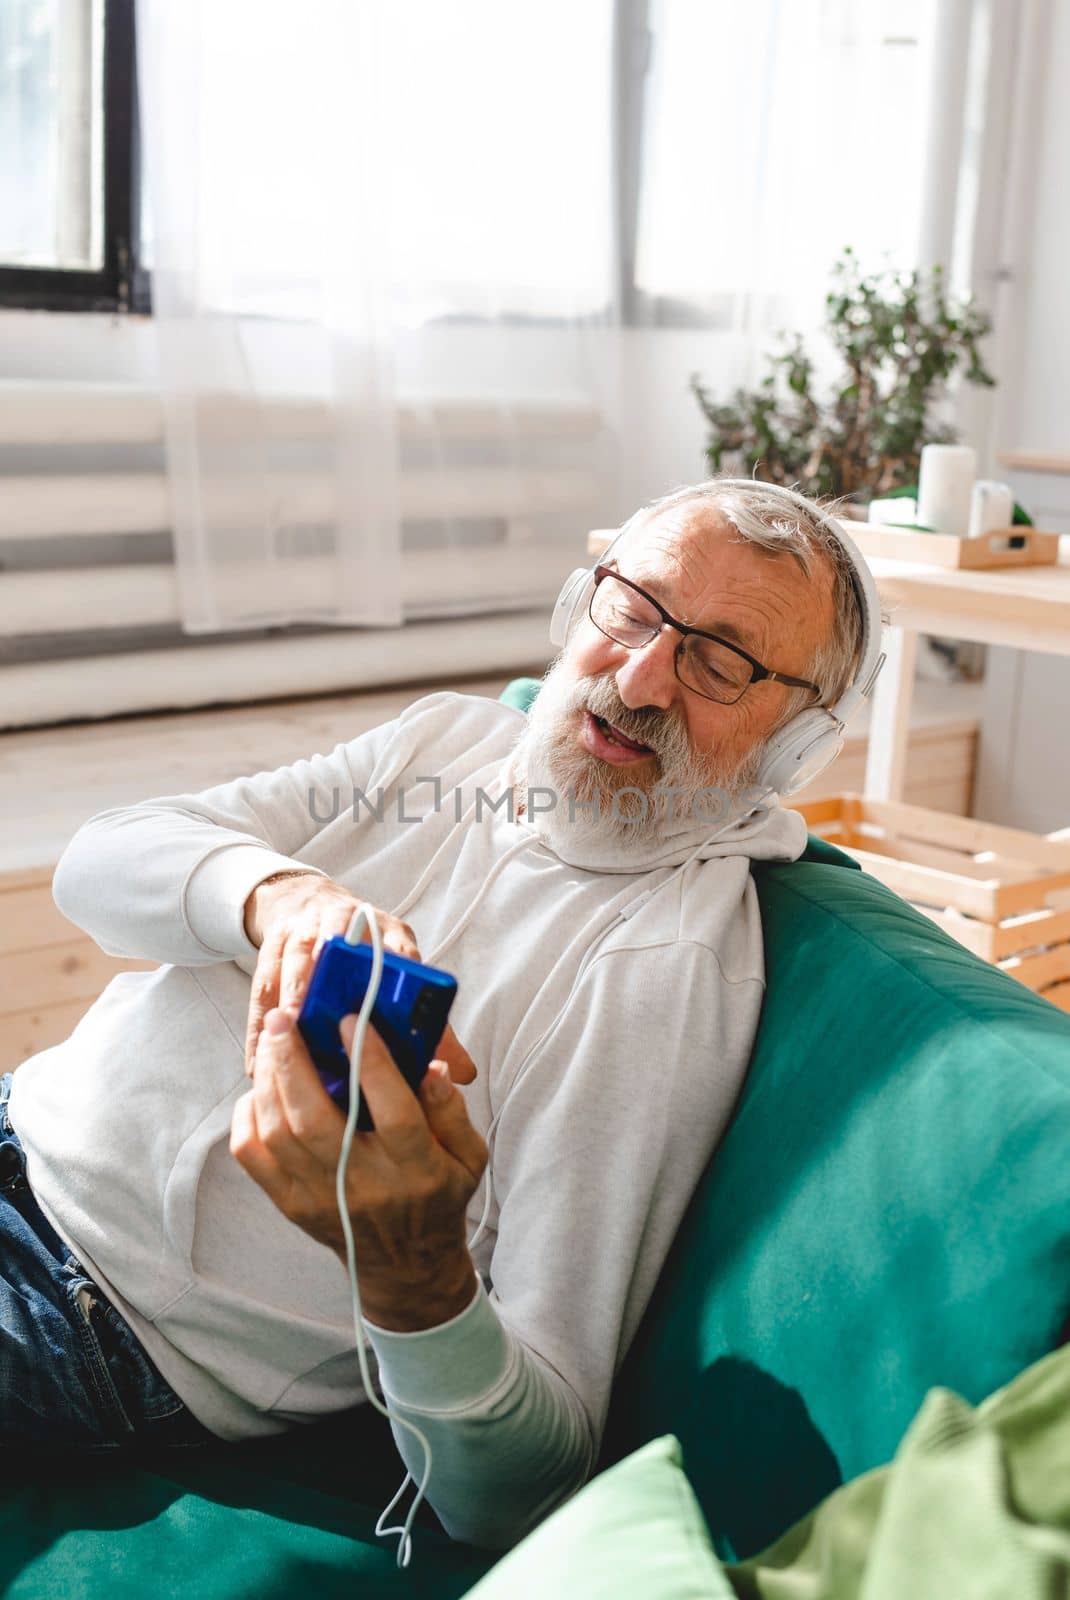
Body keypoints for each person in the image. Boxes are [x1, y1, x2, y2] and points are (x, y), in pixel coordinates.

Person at [2, 478, 874, 1549]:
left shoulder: (658, 968)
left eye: (719, 661)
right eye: (634, 609)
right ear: (580, 605)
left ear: (791, 745)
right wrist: (280, 896)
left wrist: (411, 1269)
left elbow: (527, 1480)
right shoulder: (449, 748)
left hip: (83, 1313)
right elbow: (97, 864)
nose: (641, 676)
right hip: (21, 1125)